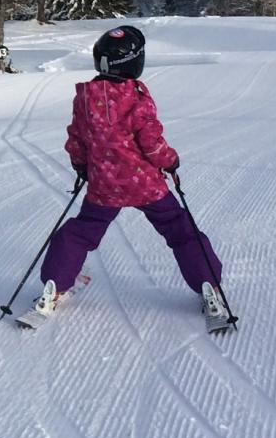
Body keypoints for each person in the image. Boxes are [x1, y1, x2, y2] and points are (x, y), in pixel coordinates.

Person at [30, 24, 230, 328]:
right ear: (134, 63)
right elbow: (151, 142)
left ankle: (55, 285)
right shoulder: (136, 97)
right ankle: (208, 283)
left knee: (82, 230)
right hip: (145, 184)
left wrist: (82, 166)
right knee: (178, 228)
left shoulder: (85, 98)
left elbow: (77, 139)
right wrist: (171, 161)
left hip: (104, 186)